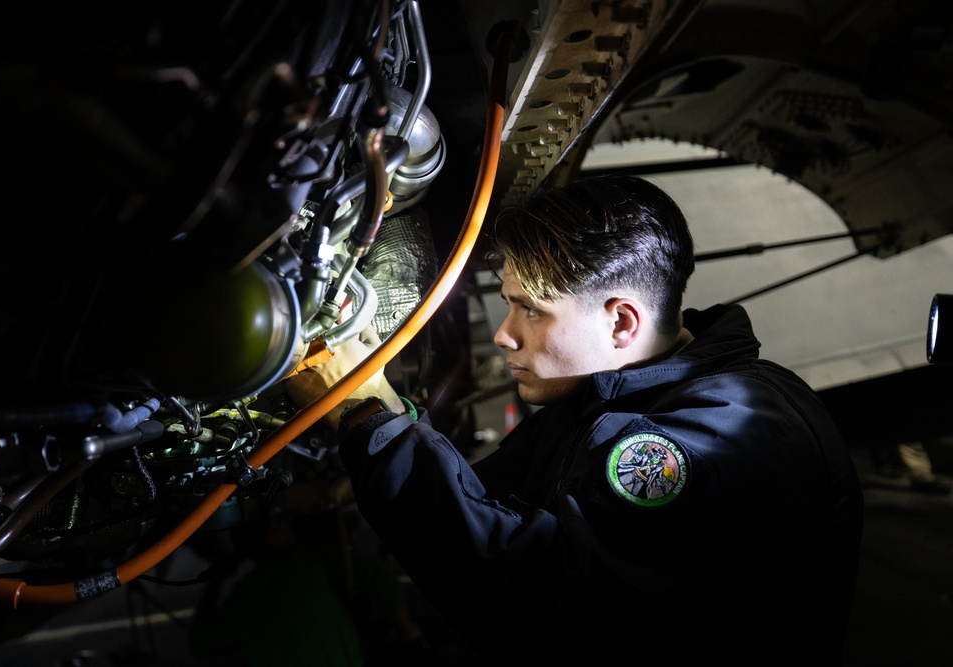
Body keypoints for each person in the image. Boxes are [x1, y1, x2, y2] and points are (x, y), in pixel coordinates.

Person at [283, 173, 865, 664]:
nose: (504, 335)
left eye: (530, 311)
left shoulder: (735, 427)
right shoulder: (603, 399)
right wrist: (378, 409)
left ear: (621, 323)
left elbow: (537, 598)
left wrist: (362, 410)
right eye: (509, 304)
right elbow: (480, 502)